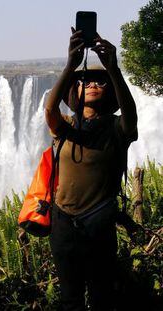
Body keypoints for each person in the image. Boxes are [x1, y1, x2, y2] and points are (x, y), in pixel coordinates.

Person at [44, 27, 138, 310]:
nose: (93, 84)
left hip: (98, 224)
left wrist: (114, 69)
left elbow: (131, 114)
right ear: (76, 91)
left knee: (101, 296)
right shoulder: (66, 127)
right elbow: (49, 111)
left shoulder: (116, 128)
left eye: (101, 82)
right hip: (62, 224)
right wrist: (70, 65)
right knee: (69, 298)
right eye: (85, 81)